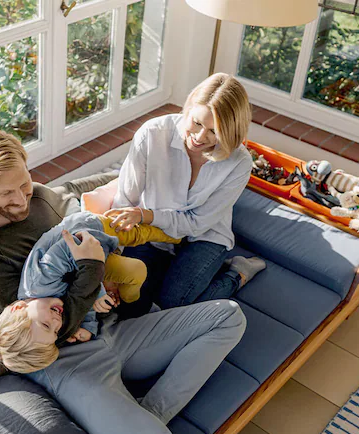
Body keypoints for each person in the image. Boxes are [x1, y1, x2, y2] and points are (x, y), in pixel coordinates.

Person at [0, 129, 246, 434]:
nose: (21, 199)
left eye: (24, 185)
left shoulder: (41, 199)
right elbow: (43, 328)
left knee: (228, 316)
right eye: (7, 194)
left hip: (110, 329)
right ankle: (138, 433)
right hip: (67, 365)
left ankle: (149, 416)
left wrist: (103, 279)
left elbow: (82, 262)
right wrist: (92, 272)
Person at [106, 73, 266, 319]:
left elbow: (198, 223)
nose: (200, 137)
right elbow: (125, 199)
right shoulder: (152, 133)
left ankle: (237, 274)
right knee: (132, 307)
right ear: (189, 108)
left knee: (172, 303)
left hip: (203, 235)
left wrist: (146, 215)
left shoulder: (240, 162)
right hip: (151, 233)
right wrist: (112, 259)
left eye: (215, 131)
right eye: (197, 122)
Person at [0, 210, 181, 373]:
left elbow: (70, 247)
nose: (57, 322)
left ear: (19, 309)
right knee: (132, 267)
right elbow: (81, 301)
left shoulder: (40, 282)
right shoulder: (48, 306)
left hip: (87, 230)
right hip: (90, 259)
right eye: (56, 331)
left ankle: (174, 235)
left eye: (46, 325)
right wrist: (88, 328)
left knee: (136, 239)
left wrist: (98, 292)